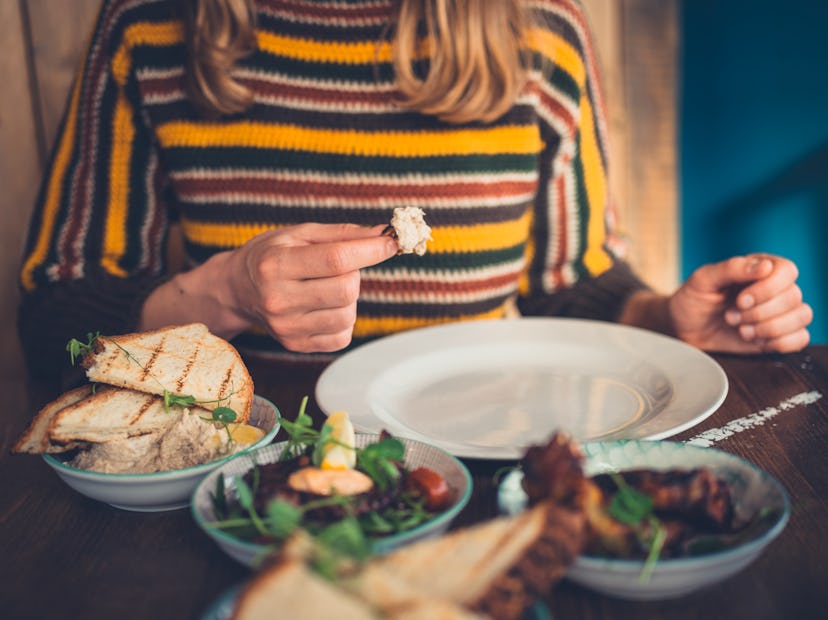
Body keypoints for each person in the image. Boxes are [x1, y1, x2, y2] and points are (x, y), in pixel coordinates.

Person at [18, 0, 812, 384]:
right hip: (239, 470)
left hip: (489, 454)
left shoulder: (544, 37)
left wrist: (665, 321)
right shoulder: (149, 29)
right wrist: (225, 291)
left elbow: (572, 290)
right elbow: (57, 321)